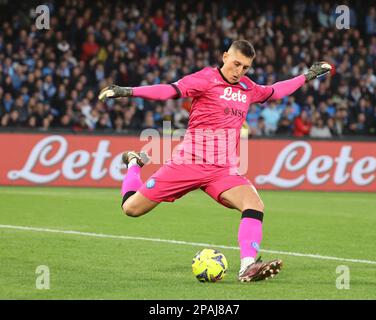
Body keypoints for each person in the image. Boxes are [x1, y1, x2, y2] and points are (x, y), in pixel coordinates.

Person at [98, 40, 331, 282]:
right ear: (225, 57)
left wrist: (308, 76)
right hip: (187, 163)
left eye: (246, 67)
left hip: (222, 170)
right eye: (236, 64)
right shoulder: (205, 79)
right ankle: (135, 164)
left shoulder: (247, 88)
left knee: (254, 204)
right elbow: (169, 90)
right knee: (131, 209)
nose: (239, 71)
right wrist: (128, 91)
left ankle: (248, 266)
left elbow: (276, 91)